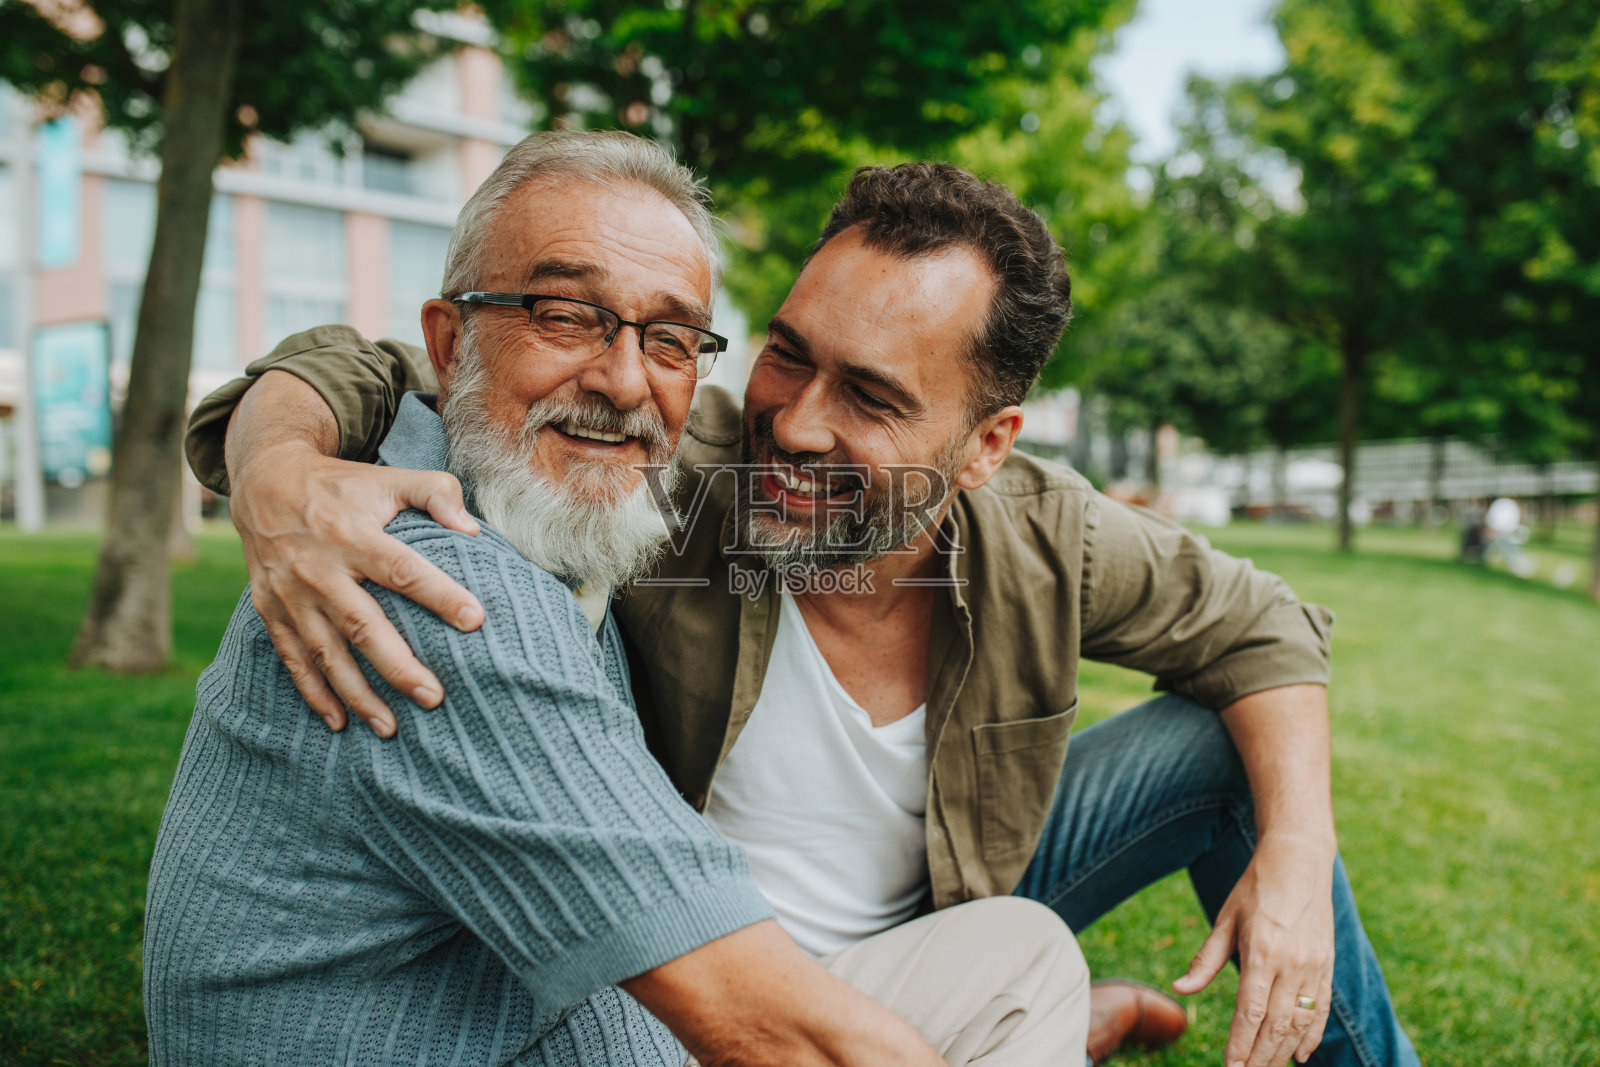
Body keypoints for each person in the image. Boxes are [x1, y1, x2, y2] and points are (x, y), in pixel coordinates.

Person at [188, 160, 1419, 1067]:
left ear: (985, 445)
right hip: (704, 946)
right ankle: (1058, 1028)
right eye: (788, 353)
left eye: (873, 396)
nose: (798, 420)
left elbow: (1266, 627)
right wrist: (276, 468)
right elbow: (397, 369)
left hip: (932, 898)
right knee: (1000, 983)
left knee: (1211, 756)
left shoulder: (1046, 533)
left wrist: (1297, 860)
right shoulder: (661, 453)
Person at [146, 131, 1093, 1067]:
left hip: (571, 1020)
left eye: (672, 338)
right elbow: (771, 1031)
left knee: (1022, 955)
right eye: (564, 315)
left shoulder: (548, 519)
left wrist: (274, 454)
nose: (625, 380)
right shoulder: (440, 595)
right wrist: (273, 458)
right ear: (450, 341)